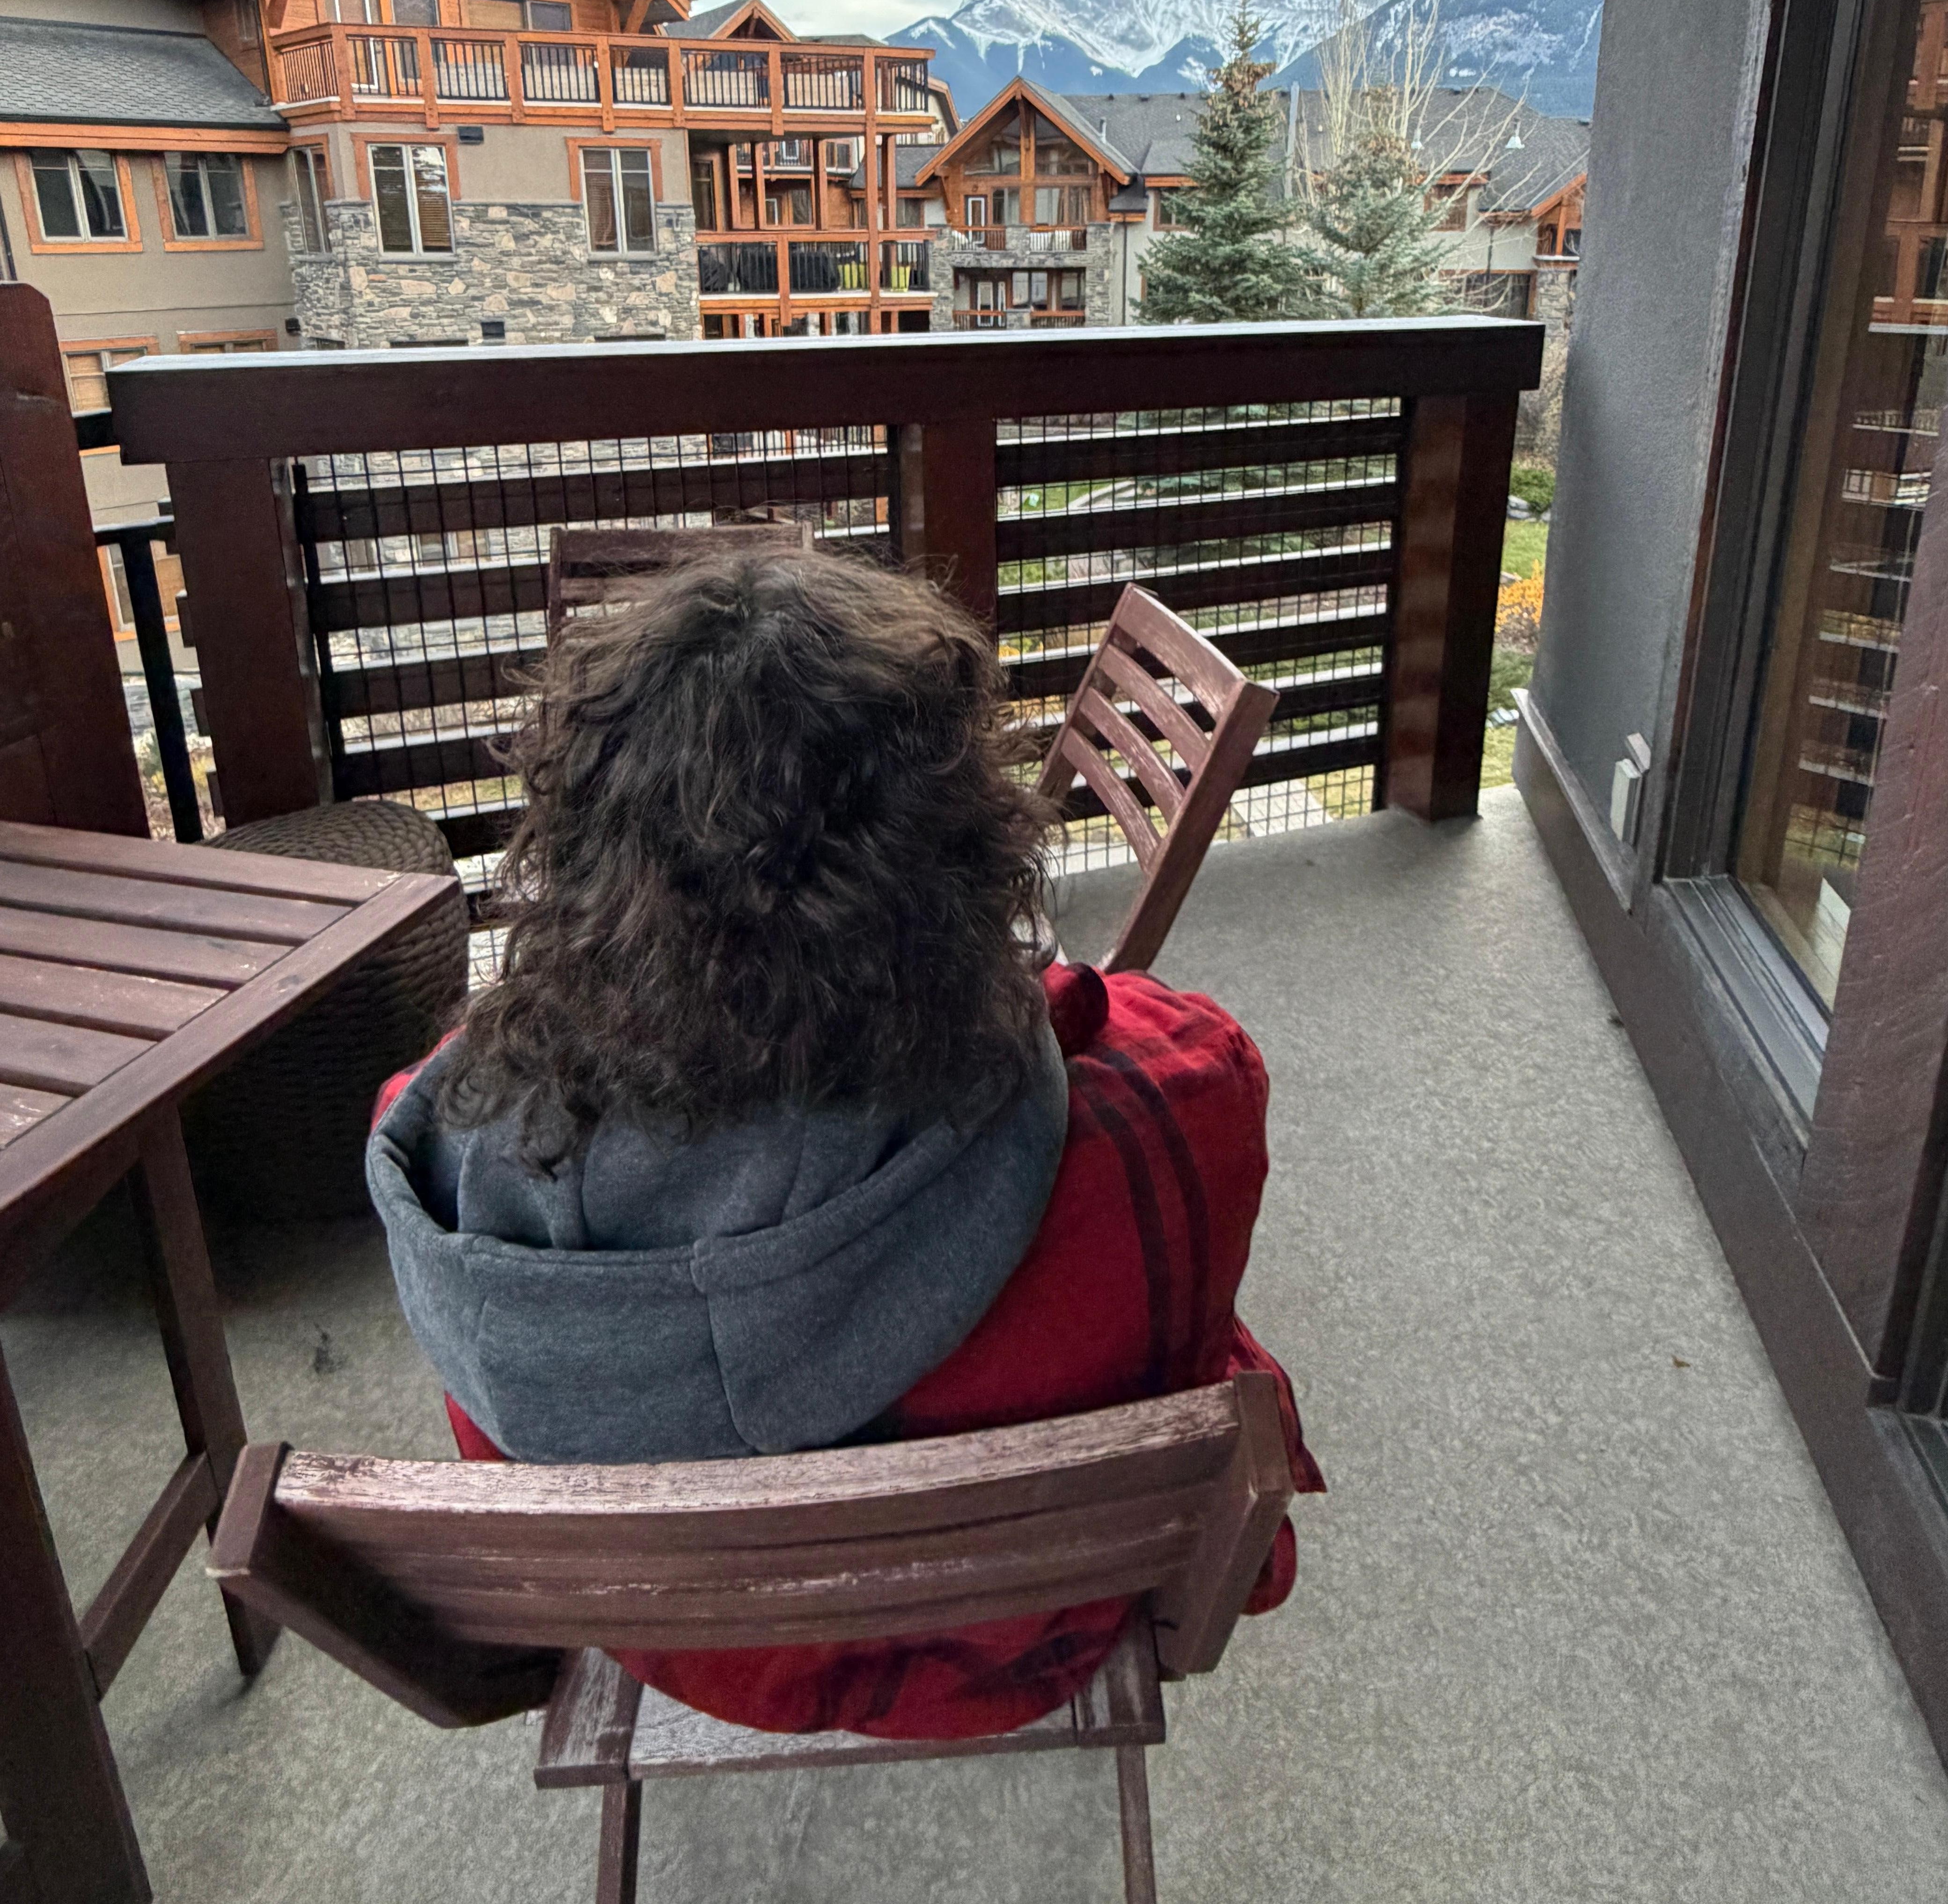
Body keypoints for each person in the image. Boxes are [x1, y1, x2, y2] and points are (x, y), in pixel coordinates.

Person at [368, 541, 1320, 1742]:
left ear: (589, 854)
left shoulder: (454, 1178)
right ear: (965, 841)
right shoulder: (1178, 1097)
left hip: (696, 1654)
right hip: (1020, 1642)